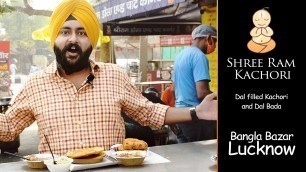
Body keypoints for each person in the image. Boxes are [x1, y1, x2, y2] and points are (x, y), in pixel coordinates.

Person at [0, 0, 217, 155]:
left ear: (92, 39)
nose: (73, 39)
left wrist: (196, 112)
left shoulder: (113, 75)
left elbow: (149, 112)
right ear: (54, 37)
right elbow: (9, 127)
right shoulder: (36, 84)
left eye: (82, 32)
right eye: (65, 32)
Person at [173, 24, 217, 143]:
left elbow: (174, 89)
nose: (215, 46)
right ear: (208, 38)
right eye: (215, 41)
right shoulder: (199, 56)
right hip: (197, 117)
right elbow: (202, 93)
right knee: (203, 158)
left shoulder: (180, 55)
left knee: (186, 156)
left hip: (180, 114)